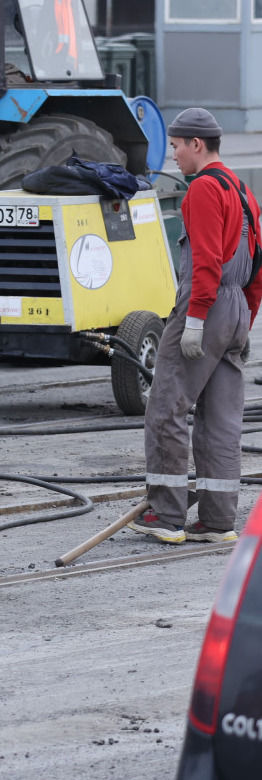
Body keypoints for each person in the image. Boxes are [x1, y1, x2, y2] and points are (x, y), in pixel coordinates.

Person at [129, 108, 262, 545]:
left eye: (177, 146)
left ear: (197, 145)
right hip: (238, 307)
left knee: (166, 405)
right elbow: (257, 267)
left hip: (205, 307)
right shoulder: (244, 190)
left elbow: (204, 261)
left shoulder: (203, 190)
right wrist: (244, 324)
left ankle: (166, 515)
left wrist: (196, 321)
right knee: (222, 419)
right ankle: (218, 520)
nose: (175, 156)